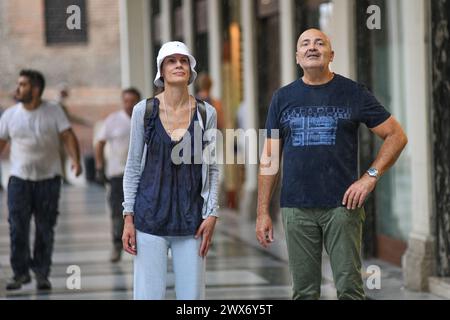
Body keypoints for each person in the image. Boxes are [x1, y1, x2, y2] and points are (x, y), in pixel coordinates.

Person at [256, 29, 408, 300]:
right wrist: (262, 212)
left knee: (350, 290)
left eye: (319, 43)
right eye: (305, 44)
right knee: (304, 293)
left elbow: (396, 135)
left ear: (331, 54)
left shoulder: (353, 93)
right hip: (296, 209)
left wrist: (370, 177)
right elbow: (269, 159)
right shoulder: (282, 98)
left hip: (343, 208)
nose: (312, 48)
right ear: (297, 57)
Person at [122, 41, 219, 300]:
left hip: (191, 220)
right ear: (161, 71)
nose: (179, 65)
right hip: (149, 217)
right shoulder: (144, 111)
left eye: (184, 60)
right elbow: (132, 167)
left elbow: (212, 167)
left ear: (191, 70)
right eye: (171, 61)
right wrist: (128, 216)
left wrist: (212, 213)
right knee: (147, 296)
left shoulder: (205, 112)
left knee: (192, 299)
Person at [0, 70, 82, 290]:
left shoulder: (53, 111)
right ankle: (20, 273)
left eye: (23, 85)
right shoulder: (10, 115)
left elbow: (68, 135)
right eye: (18, 84)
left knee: (45, 228)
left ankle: (41, 273)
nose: (17, 89)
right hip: (19, 180)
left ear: (35, 89)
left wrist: (76, 160)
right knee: (18, 228)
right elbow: (1, 143)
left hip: (48, 180)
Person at [94, 87, 141, 263]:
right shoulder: (113, 120)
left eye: (133, 101)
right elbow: (99, 143)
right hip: (117, 174)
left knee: (142, 211)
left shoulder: (144, 118)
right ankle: (116, 245)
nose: (129, 105)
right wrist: (100, 167)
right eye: (126, 101)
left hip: (141, 175)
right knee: (117, 211)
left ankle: (144, 245)